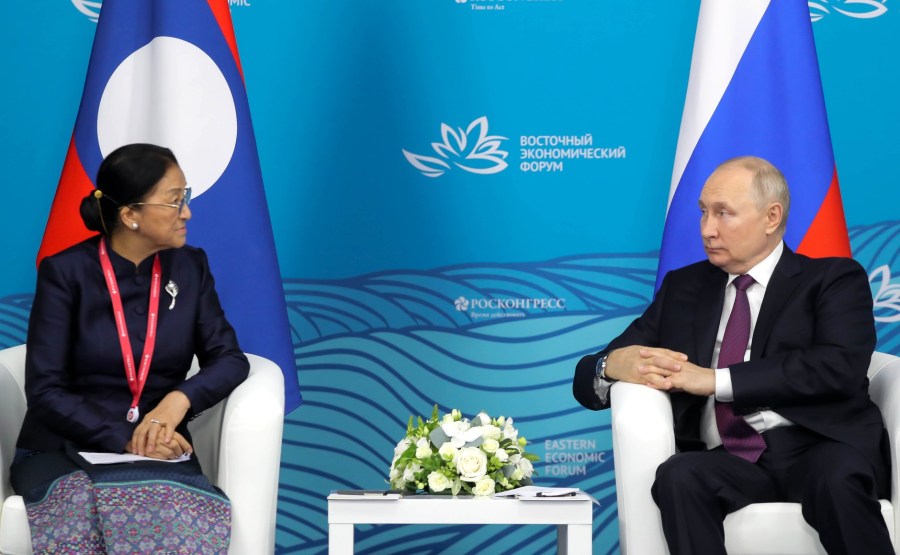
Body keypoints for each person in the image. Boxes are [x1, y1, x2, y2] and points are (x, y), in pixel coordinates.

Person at [573, 156, 891, 554]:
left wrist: (714, 380)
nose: (707, 229)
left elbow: (837, 367)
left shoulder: (832, 279)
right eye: (704, 212)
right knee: (679, 475)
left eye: (723, 213)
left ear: (771, 217)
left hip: (821, 446)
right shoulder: (684, 288)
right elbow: (587, 377)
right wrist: (608, 366)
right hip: (731, 457)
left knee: (837, 479)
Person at [10, 143, 250, 554]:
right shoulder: (65, 273)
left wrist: (176, 403)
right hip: (62, 448)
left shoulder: (190, 268)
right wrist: (126, 437)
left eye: (185, 197)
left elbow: (229, 359)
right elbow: (46, 391)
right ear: (130, 215)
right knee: (80, 512)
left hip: (158, 450)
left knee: (170, 514)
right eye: (174, 201)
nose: (187, 213)